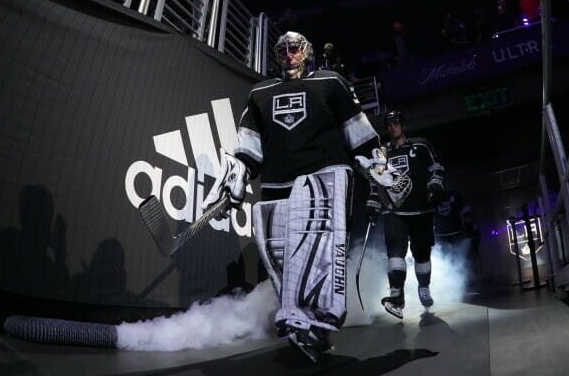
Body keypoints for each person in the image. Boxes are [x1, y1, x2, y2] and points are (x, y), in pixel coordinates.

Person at [201, 31, 405, 362]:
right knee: (281, 261)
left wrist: (382, 173)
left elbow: (360, 135)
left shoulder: (331, 82)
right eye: (282, 51)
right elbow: (248, 147)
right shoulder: (260, 93)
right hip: (276, 186)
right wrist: (233, 182)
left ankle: (312, 321)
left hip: (325, 176)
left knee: (317, 249)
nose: (289, 55)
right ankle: (312, 331)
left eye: (294, 49)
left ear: (306, 52)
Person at [369, 110, 445, 319]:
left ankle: (424, 287)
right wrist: (373, 205)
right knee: (395, 250)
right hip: (393, 210)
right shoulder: (381, 154)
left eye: (395, 123)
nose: (392, 127)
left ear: (403, 125)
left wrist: (435, 186)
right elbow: (376, 183)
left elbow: (436, 168)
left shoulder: (421, 145)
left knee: (421, 252)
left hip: (421, 208)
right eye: (388, 124)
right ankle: (396, 296)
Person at [433, 189, 481, 286]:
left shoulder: (453, 196)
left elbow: (466, 209)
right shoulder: (432, 198)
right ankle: (448, 283)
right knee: (445, 261)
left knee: (460, 260)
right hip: (441, 236)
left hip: (455, 235)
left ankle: (464, 282)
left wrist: (469, 226)